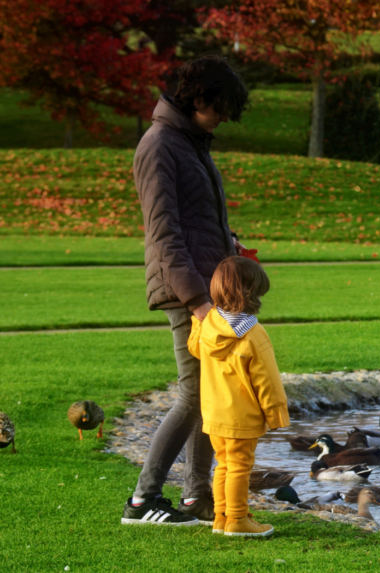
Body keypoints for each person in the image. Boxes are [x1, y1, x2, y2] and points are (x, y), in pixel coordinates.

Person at [122, 55, 250, 526]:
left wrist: (230, 244)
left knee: (209, 395)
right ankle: (142, 501)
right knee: (194, 395)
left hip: (208, 285)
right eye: (219, 109)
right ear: (198, 99)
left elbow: (199, 217)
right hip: (186, 292)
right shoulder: (158, 146)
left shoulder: (191, 143)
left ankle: (198, 499)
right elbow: (165, 234)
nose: (222, 120)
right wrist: (198, 302)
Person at [188, 256, 289, 537]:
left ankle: (221, 517)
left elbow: (195, 349)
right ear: (251, 293)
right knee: (240, 467)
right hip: (241, 417)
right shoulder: (252, 334)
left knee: (223, 464)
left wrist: (196, 323)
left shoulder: (208, 325)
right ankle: (238, 519)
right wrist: (276, 414)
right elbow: (267, 381)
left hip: (213, 414)